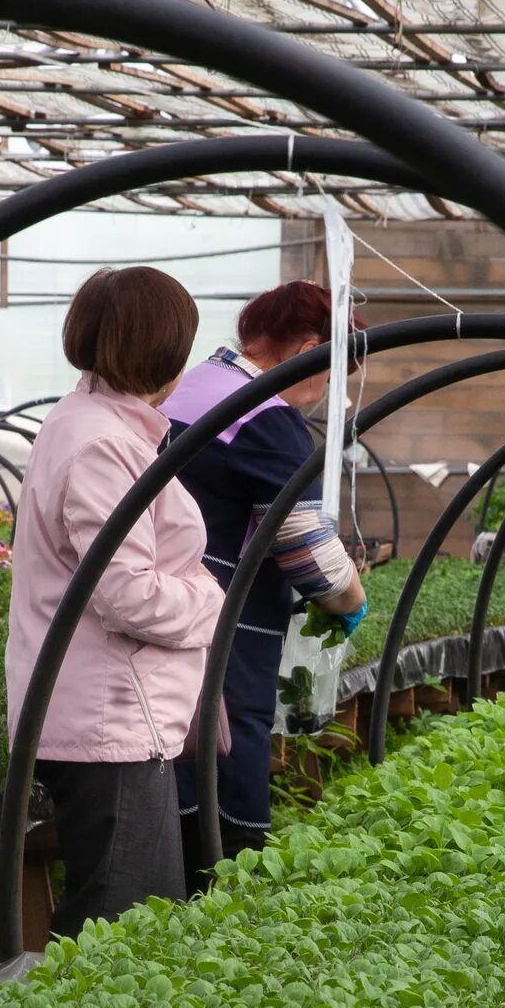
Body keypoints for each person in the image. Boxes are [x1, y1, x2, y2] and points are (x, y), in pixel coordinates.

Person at [4, 266, 223, 938]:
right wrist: (208, 598)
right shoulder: (100, 442)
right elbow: (123, 591)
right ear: (167, 351)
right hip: (110, 724)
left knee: (124, 923)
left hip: (117, 717)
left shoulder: (100, 426)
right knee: (121, 933)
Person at [161, 281, 370, 873]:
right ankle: (217, 907)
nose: (323, 392)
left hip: (157, 608)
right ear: (308, 349)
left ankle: (161, 901)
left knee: (171, 761)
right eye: (329, 375)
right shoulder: (266, 417)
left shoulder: (188, 387)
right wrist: (348, 597)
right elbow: (301, 544)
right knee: (223, 760)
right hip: (223, 622)